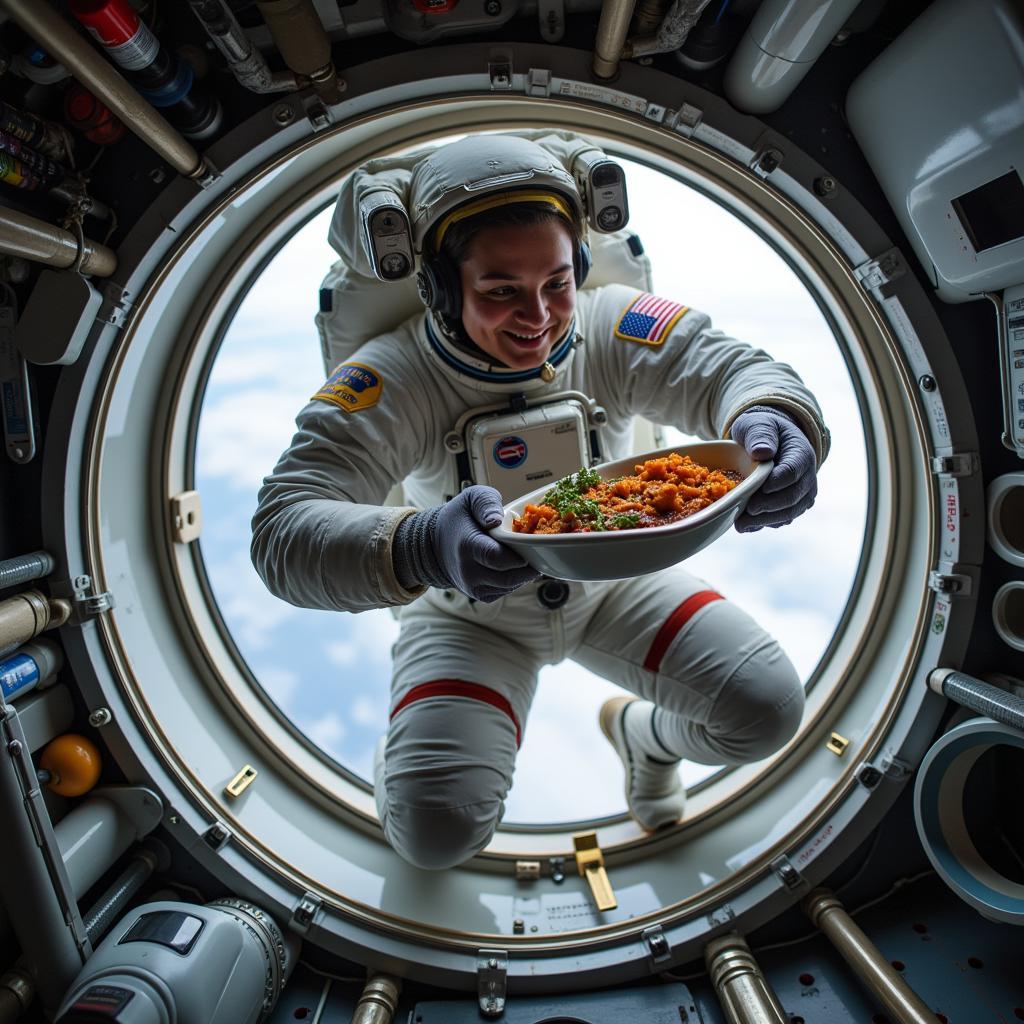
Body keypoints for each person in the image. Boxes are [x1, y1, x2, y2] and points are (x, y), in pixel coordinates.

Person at [251, 133, 829, 871]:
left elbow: (726, 370)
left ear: (580, 269)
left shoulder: (612, 325)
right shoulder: (393, 377)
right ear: (437, 287)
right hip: (467, 619)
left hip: (618, 587)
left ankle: (645, 740)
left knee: (766, 710)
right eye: (500, 290)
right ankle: (411, 750)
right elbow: (281, 529)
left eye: (558, 282)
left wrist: (775, 414)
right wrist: (422, 544)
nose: (540, 316)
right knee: (435, 834)